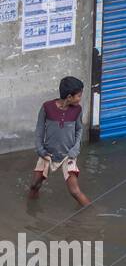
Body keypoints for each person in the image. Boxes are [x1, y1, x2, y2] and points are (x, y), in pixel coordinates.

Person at [29, 76, 91, 207]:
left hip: (68, 155)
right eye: (79, 96)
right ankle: (31, 207)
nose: (80, 99)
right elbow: (39, 131)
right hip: (47, 153)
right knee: (34, 185)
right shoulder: (47, 107)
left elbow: (79, 130)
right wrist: (41, 150)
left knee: (75, 191)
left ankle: (92, 214)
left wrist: (75, 149)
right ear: (69, 97)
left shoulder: (77, 110)